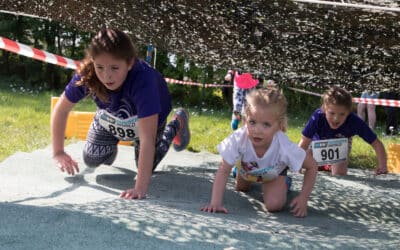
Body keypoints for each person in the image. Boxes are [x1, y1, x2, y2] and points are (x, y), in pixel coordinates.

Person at [51, 28, 190, 199]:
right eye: (99, 67)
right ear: (93, 61)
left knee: (146, 166)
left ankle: (177, 122)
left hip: (147, 123)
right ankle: (110, 144)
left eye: (115, 68)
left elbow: (148, 139)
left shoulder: (144, 81)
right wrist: (58, 152)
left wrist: (140, 188)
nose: (106, 75)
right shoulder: (88, 74)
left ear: (130, 63)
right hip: (111, 117)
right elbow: (62, 108)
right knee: (92, 158)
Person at [201, 88, 317, 217]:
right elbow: (223, 170)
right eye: (252, 122)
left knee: (274, 205)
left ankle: (284, 182)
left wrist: (304, 198)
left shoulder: (284, 145)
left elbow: (312, 166)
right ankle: (240, 172)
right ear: (245, 120)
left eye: (266, 125)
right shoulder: (239, 138)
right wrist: (215, 203)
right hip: (248, 170)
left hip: (274, 173)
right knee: (241, 188)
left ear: (279, 126)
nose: (257, 130)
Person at [299, 86, 387, 176]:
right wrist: (296, 161)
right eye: (332, 113)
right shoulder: (317, 117)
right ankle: (323, 165)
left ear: (348, 112)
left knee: (339, 174)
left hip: (341, 143)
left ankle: (328, 166)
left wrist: (382, 166)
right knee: (306, 167)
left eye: (342, 114)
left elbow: (376, 143)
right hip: (317, 142)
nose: (336, 119)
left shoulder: (354, 121)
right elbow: (304, 142)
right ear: (324, 109)